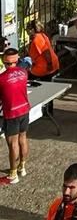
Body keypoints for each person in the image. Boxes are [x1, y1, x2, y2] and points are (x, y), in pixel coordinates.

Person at [0, 48, 30, 184]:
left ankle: (13, 174)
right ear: (17, 60)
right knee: (23, 139)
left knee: (13, 143)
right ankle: (22, 167)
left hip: (11, 113)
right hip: (24, 110)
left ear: (4, 61)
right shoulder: (24, 73)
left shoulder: (2, 79)